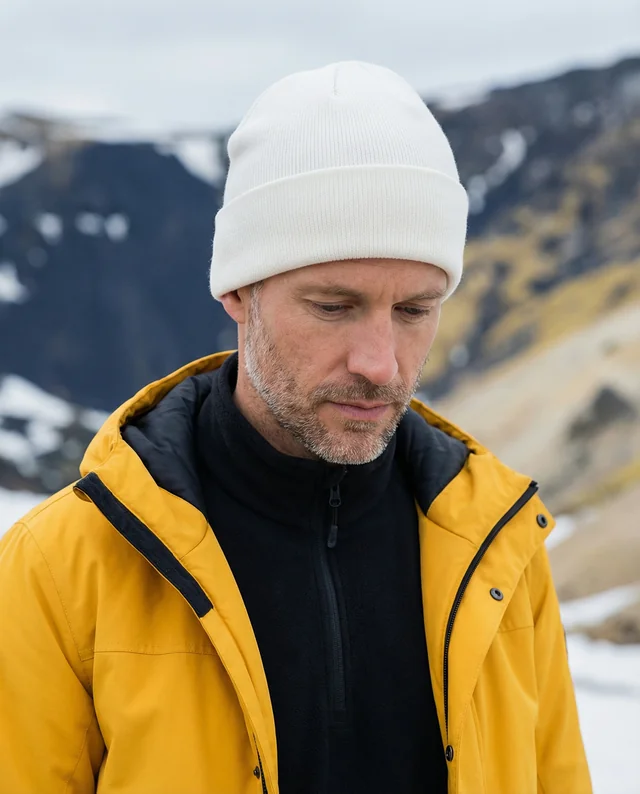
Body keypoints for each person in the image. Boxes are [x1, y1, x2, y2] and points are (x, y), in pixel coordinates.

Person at [0, 61, 591, 794]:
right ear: (238, 292)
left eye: (415, 310)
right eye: (333, 306)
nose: (381, 364)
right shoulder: (64, 566)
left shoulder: (499, 552)